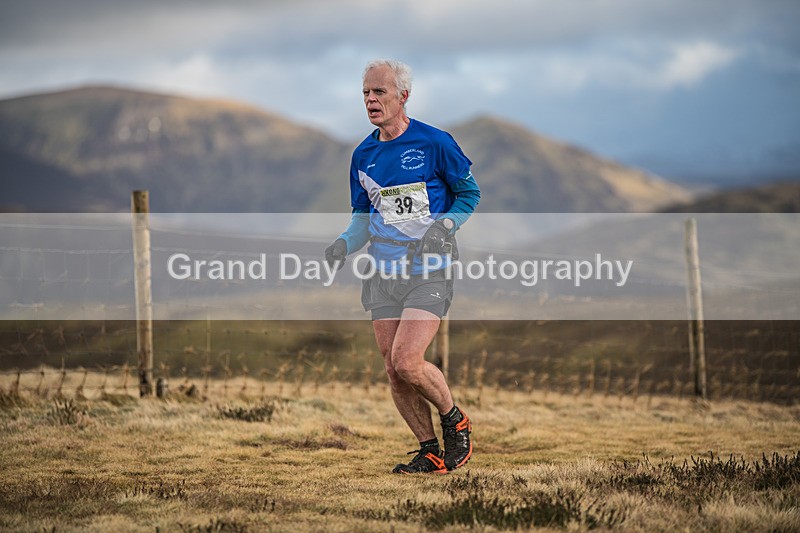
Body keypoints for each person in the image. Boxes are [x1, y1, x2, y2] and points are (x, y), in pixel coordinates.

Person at [325, 59, 481, 474]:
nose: (370, 100)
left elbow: (469, 194)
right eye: (365, 93)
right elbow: (362, 218)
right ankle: (429, 450)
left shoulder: (435, 142)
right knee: (394, 371)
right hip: (382, 272)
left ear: (403, 96)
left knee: (408, 360)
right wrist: (343, 244)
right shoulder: (363, 155)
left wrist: (445, 226)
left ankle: (455, 422)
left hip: (429, 267)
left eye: (379, 92)